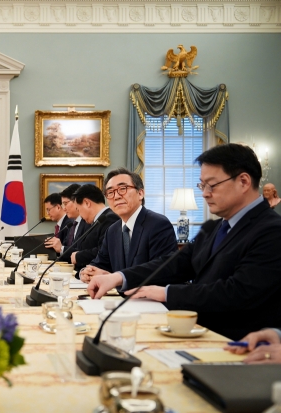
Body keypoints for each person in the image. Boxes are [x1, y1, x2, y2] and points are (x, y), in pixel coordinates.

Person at [87, 143, 281, 340]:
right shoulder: (214, 228)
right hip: (199, 333)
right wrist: (118, 277)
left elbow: (237, 293)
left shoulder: (271, 230)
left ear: (244, 181)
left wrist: (166, 293)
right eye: (202, 185)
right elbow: (176, 263)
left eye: (211, 185)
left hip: (237, 343)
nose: (205, 193)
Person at [80, 168, 178, 283]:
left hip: (150, 299)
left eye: (122, 189)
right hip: (120, 298)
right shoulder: (112, 230)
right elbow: (100, 264)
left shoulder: (158, 224)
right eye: (110, 192)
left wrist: (117, 278)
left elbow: (162, 271)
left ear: (140, 193)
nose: (116, 196)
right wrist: (86, 272)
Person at [64, 184, 119, 276]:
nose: (80, 215)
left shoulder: (110, 219)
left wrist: (79, 256)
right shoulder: (97, 220)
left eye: (78, 209)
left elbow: (105, 251)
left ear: (87, 203)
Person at [45, 185, 88, 254]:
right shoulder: (73, 223)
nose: (64, 208)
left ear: (76, 201)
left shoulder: (87, 222)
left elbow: (82, 251)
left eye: (65, 204)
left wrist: (61, 248)